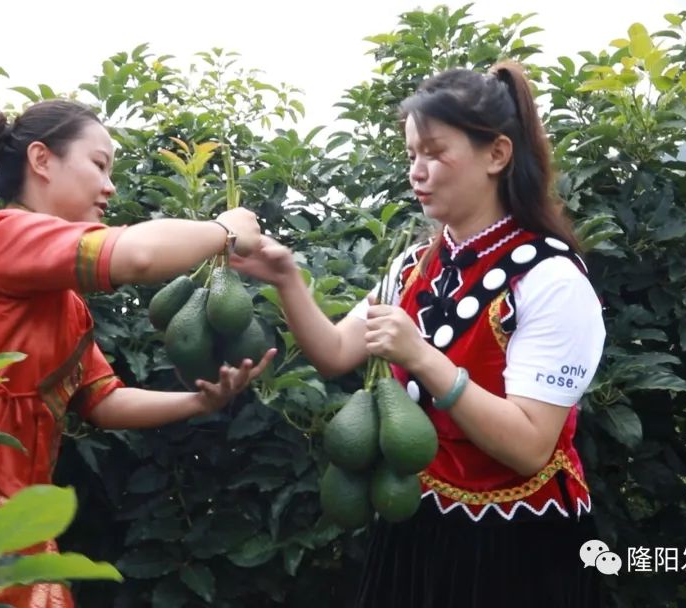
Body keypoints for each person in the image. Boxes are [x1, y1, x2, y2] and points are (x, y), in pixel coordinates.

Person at [232, 61, 606, 607]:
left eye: (434, 152)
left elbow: (529, 447)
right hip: (415, 524)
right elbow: (336, 352)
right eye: (412, 155)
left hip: (519, 546)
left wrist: (422, 357)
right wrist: (287, 279)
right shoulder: (413, 267)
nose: (418, 171)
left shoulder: (551, 278)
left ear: (497, 155)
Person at [0, 99, 276, 607]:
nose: (110, 186)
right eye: (99, 165)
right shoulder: (2, 236)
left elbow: (102, 401)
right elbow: (139, 255)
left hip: (11, 518)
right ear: (41, 160)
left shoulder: (65, 303)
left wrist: (200, 402)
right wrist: (225, 231)